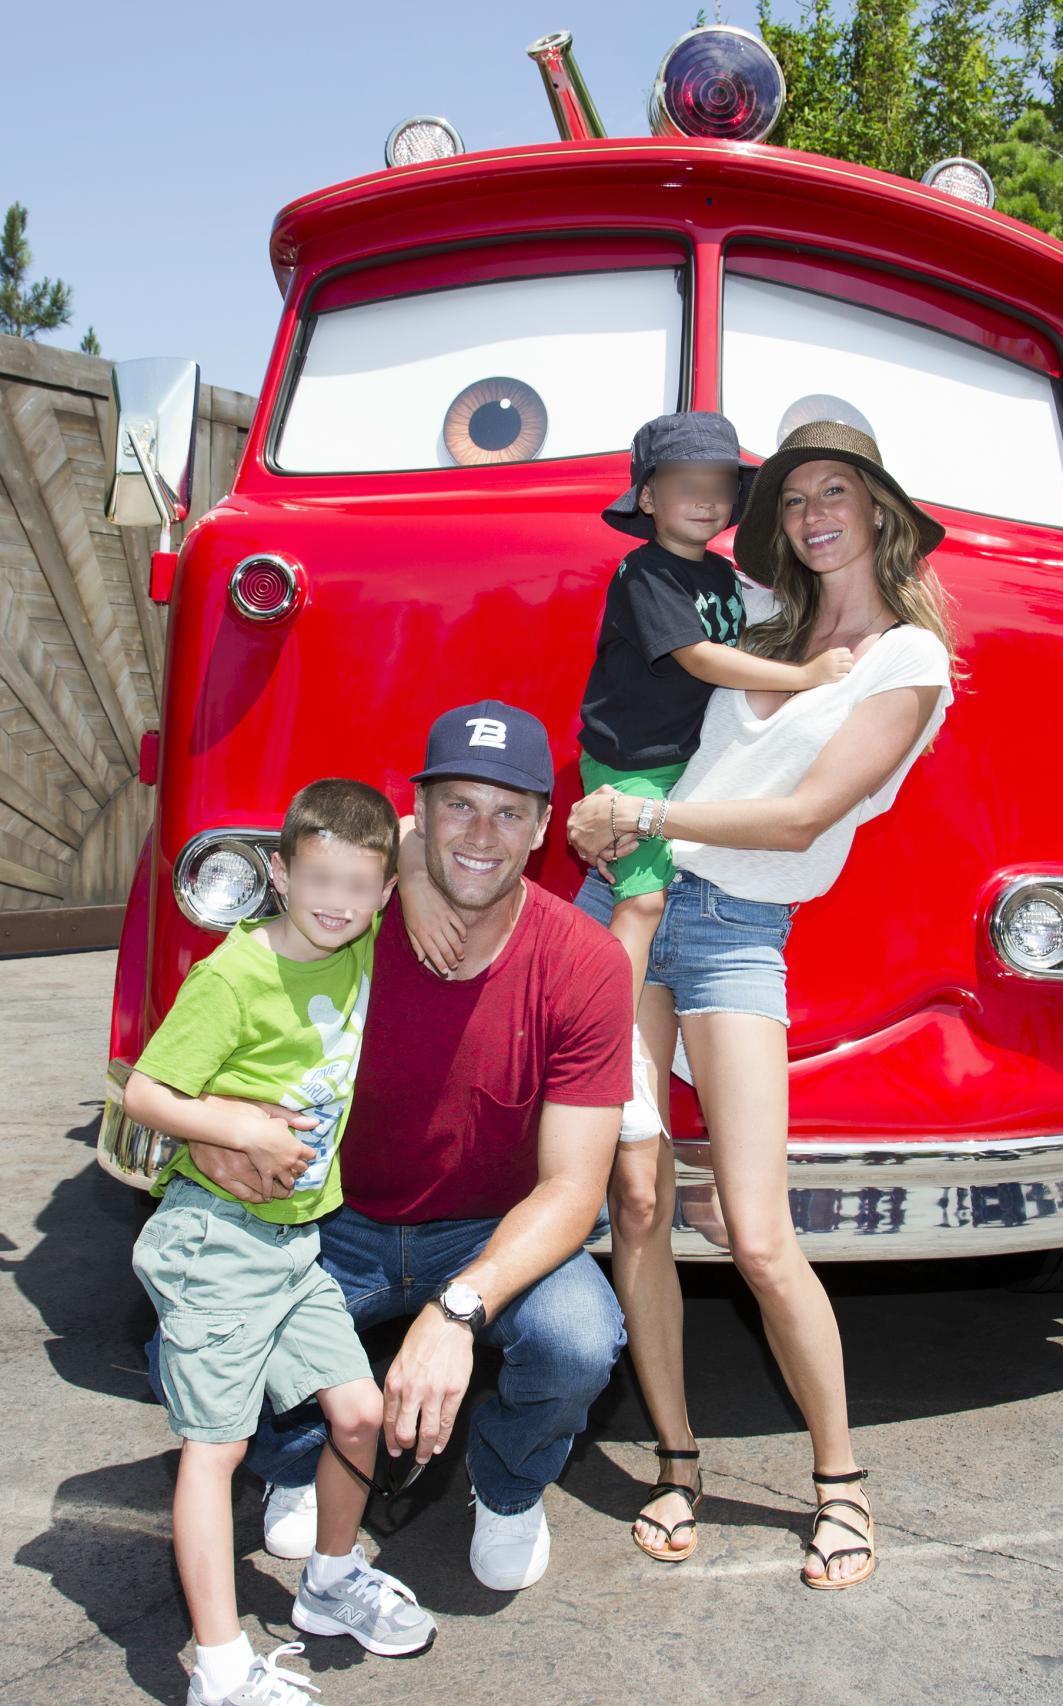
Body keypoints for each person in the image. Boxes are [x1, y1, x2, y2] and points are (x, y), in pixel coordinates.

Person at [567, 417, 956, 1590]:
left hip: (734, 932)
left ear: (879, 508)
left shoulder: (907, 662)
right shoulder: (754, 619)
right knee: (636, 1196)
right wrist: (606, 814)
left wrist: (641, 815)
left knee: (757, 1231)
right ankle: (675, 1458)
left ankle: (839, 1483)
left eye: (832, 490)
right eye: (790, 497)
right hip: (630, 896)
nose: (809, 513)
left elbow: (797, 818)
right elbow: (644, 706)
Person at [186, 702, 633, 1599]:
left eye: (508, 812)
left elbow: (573, 1189)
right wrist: (222, 1128)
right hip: (329, 1214)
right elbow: (218, 1034)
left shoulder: (586, 962)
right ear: (418, 812)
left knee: (579, 1338)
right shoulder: (345, 915)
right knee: (208, 1299)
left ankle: (508, 1487)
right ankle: (295, 1459)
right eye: (457, 805)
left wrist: (458, 1310)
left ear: (544, 827)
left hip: (486, 1232)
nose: (481, 834)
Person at [126, 779, 436, 1706]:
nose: (337, 903)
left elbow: (410, 835)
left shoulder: (360, 939)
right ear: (278, 873)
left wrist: (401, 848)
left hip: (297, 1244)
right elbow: (144, 1092)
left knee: (360, 1412)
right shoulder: (234, 975)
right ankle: (220, 1672)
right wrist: (241, 1128)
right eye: (319, 881)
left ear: (384, 893)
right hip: (216, 1240)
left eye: (359, 887)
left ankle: (330, 1584)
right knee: (214, 1451)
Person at [575, 411, 856, 1141]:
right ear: (647, 497)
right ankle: (612, 1056)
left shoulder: (723, 576)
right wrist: (806, 676)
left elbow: (780, 610)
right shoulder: (645, 572)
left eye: (720, 486)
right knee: (640, 903)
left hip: (687, 767)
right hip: (633, 766)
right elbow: (699, 658)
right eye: (685, 484)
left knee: (657, 892)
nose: (705, 500)